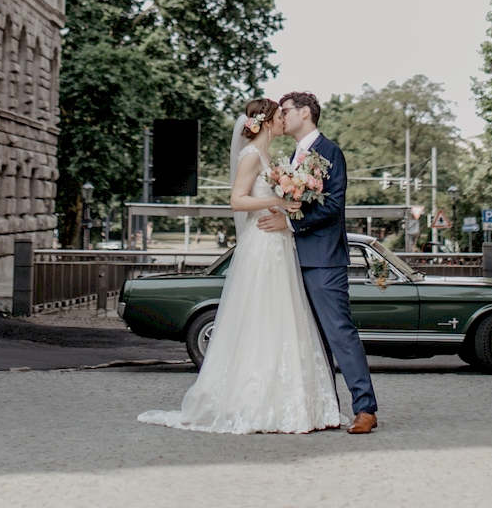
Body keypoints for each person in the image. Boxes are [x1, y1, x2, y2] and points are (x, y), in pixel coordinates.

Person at [137, 98, 346, 434]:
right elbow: (237, 200)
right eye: (279, 116)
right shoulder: (250, 155)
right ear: (265, 122)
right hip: (262, 245)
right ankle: (250, 400)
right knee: (259, 316)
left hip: (280, 243)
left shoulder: (272, 159)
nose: (283, 120)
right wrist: (278, 200)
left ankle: (291, 402)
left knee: (283, 317)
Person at [257, 91, 378, 434]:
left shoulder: (330, 152)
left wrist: (290, 223)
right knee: (310, 340)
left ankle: (366, 408)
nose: (282, 116)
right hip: (292, 260)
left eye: (286, 111)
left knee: (339, 333)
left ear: (305, 113)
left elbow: (332, 207)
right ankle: (325, 408)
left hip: (323, 260)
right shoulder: (293, 156)